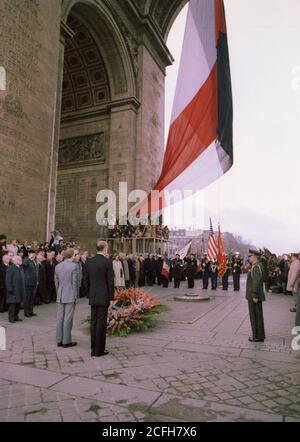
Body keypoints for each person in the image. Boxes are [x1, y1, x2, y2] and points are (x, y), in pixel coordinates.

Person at [85, 241, 114, 357]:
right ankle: (99, 350)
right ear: (105, 248)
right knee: (101, 323)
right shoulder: (107, 262)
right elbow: (110, 281)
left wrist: (89, 293)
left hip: (93, 295)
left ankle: (93, 348)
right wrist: (111, 298)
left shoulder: (89, 262)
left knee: (93, 322)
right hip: (104, 296)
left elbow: (85, 280)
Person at [55, 248, 79, 348]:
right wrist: (76, 295)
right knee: (68, 318)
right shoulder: (74, 266)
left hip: (60, 293)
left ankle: (59, 339)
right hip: (70, 294)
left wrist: (58, 292)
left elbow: (56, 282)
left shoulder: (58, 266)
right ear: (72, 255)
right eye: (75, 254)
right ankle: (66, 341)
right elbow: (74, 283)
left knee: (60, 317)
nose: (76, 256)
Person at [246, 249, 266, 342]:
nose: (248, 258)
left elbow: (256, 282)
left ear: (254, 257)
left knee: (255, 316)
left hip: (254, 295)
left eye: (250, 256)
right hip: (256, 294)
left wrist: (254, 295)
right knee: (258, 315)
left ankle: (256, 336)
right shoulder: (258, 265)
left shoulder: (256, 267)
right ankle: (260, 335)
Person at [5, 255, 25, 323]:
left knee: (18, 304)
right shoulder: (11, 268)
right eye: (19, 259)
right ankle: (11, 318)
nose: (21, 260)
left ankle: (16, 316)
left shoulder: (20, 268)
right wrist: (9, 288)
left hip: (19, 290)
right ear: (15, 261)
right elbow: (8, 279)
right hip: (13, 290)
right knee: (12, 305)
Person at [22, 250, 39, 318]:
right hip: (28, 282)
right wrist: (29, 258)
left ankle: (31, 311)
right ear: (29, 254)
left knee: (32, 298)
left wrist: (37, 280)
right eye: (32, 254)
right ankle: (26, 312)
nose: (33, 255)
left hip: (34, 282)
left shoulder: (34, 261)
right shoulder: (26, 260)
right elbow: (24, 265)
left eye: (34, 254)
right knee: (27, 298)